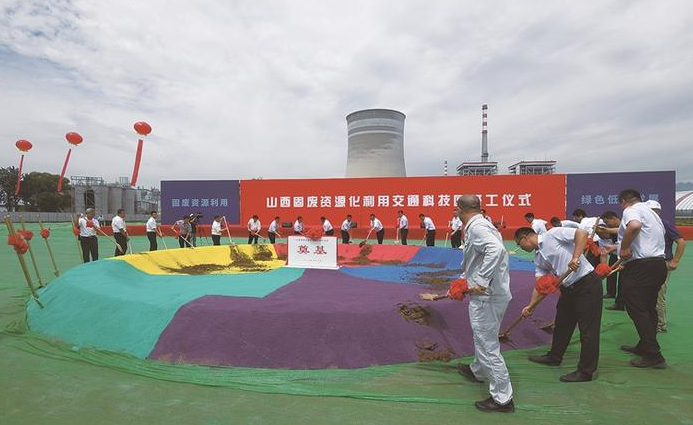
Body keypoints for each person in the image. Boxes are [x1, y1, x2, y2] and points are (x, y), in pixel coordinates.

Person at [516, 226, 602, 382]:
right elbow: (540, 284)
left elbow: (581, 233)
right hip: (568, 289)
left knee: (588, 330)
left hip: (586, 284)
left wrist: (575, 257)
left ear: (525, 238)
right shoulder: (538, 259)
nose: (519, 247)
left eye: (519, 243)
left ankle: (586, 371)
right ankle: (554, 356)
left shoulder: (553, 235)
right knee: (562, 324)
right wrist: (531, 306)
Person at [454, 195, 514, 413]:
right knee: (482, 337)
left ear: (460, 209)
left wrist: (480, 280)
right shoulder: (482, 225)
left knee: (487, 345)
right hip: (492, 294)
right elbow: (476, 259)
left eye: (456, 209)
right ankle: (477, 371)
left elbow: (496, 250)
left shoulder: (478, 228)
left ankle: (502, 398)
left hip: (487, 297)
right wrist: (465, 280)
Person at [617, 189, 667, 368]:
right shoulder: (651, 214)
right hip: (657, 264)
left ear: (624, 201)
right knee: (648, 308)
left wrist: (624, 248)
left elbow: (634, 226)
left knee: (636, 308)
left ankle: (654, 355)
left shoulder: (631, 210)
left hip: (641, 267)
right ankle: (645, 345)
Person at [645, 200, 686, 333]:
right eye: (652, 211)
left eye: (656, 211)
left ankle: (660, 324)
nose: (654, 214)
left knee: (659, 293)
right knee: (648, 292)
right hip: (648, 263)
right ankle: (651, 320)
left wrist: (675, 260)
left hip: (663, 263)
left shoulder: (665, 224)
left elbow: (681, 242)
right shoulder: (645, 225)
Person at [597, 211, 624, 310]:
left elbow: (620, 231)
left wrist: (606, 229)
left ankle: (620, 303)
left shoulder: (624, 225)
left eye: (607, 222)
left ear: (614, 218)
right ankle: (611, 292)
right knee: (610, 273)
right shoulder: (610, 230)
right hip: (615, 253)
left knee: (623, 280)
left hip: (625, 256)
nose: (607, 224)